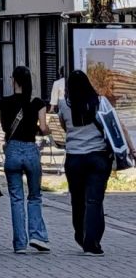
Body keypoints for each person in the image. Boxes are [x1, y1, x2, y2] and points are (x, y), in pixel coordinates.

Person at [59, 68, 136, 255]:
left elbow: (64, 126)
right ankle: (92, 243)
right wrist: (131, 149)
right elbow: (117, 125)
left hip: (74, 158)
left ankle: (80, 234)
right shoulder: (101, 102)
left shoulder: (64, 105)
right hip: (98, 158)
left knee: (77, 200)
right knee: (94, 200)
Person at [0, 64, 50, 254]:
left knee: (16, 198)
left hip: (12, 150)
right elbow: (43, 128)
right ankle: (37, 236)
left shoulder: (4, 102)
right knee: (35, 196)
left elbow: (5, 128)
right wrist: (44, 130)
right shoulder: (37, 103)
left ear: (14, 81)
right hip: (30, 149)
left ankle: (20, 243)